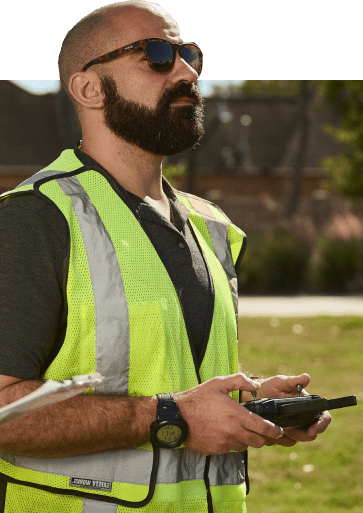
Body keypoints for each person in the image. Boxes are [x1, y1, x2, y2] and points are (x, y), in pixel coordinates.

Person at [0, 1, 331, 512]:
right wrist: (167, 417)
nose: (185, 72)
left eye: (188, 54)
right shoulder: (35, 219)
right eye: (155, 54)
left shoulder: (210, 226)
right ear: (89, 88)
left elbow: (167, 375)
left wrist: (250, 403)